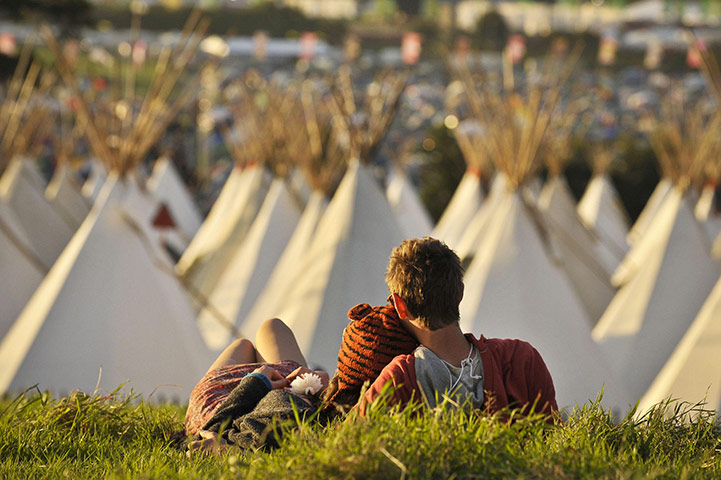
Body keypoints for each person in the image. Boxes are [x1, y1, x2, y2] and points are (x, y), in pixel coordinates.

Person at [357, 237, 558, 418]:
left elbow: (347, 441)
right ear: (461, 292)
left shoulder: (398, 379)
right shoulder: (520, 359)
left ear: (399, 306)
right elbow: (555, 442)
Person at [185, 306, 419, 455]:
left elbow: (214, 430)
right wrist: (320, 385)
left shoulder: (285, 424)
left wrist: (257, 381)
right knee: (270, 327)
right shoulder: (362, 411)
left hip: (230, 401)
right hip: (289, 386)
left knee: (244, 344)